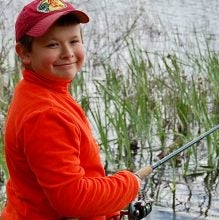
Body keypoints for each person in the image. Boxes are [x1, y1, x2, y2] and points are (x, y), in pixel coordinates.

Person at [1, 0, 151, 219]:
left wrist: (107, 206)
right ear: (25, 53)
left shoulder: (37, 90)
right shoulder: (45, 114)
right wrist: (129, 184)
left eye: (74, 41)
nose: (67, 52)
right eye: (53, 44)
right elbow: (73, 199)